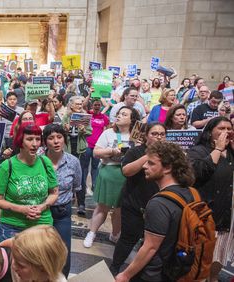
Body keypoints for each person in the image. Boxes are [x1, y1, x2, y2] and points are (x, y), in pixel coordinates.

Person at [115, 141, 196, 282]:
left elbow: (150, 247)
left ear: (167, 168)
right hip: (177, 269)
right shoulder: (191, 192)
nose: (145, 166)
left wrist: (126, 275)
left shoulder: (159, 203)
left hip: (154, 274)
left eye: (151, 163)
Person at [110, 123, 166, 275]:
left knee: (151, 242)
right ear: (146, 135)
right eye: (154, 134)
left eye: (162, 134)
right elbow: (126, 171)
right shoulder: (136, 151)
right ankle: (115, 266)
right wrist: (149, 155)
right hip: (134, 203)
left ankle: (141, 270)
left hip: (158, 206)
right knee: (128, 238)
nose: (159, 137)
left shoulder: (168, 153)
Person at [84, 106, 140, 248]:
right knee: (102, 207)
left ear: (132, 119)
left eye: (124, 114)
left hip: (127, 175)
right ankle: (91, 233)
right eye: (119, 113)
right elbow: (96, 152)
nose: (119, 116)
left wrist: (139, 147)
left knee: (120, 209)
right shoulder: (109, 133)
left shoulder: (137, 135)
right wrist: (111, 151)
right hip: (109, 172)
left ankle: (115, 234)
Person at [0, 123, 59, 241]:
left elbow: (54, 193)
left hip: (42, 224)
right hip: (13, 226)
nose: (34, 144)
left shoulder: (45, 162)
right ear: (20, 141)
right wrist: (22, 209)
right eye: (29, 139)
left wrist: (42, 207)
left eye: (38, 139)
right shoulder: (7, 166)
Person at [187, 116, 234, 281]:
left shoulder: (231, 152)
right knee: (200, 258)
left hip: (226, 215)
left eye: (229, 129)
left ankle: (213, 278)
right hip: (205, 215)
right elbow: (196, 174)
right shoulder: (199, 150)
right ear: (210, 131)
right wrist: (218, 149)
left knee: (219, 254)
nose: (226, 132)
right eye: (221, 128)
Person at [42, 124, 81, 277]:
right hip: (41, 211)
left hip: (62, 212)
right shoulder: (38, 160)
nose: (56, 141)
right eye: (51, 138)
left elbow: (77, 186)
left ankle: (62, 278)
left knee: (63, 250)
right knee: (41, 250)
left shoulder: (73, 162)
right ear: (45, 142)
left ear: (64, 139)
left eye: (59, 137)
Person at [79, 99, 109, 215]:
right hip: (87, 144)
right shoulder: (88, 115)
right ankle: (84, 188)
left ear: (101, 106)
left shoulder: (104, 118)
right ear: (92, 106)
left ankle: (95, 187)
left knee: (95, 167)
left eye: (99, 105)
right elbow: (84, 104)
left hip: (98, 146)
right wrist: (90, 95)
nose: (97, 106)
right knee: (85, 167)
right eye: (95, 105)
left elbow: (106, 130)